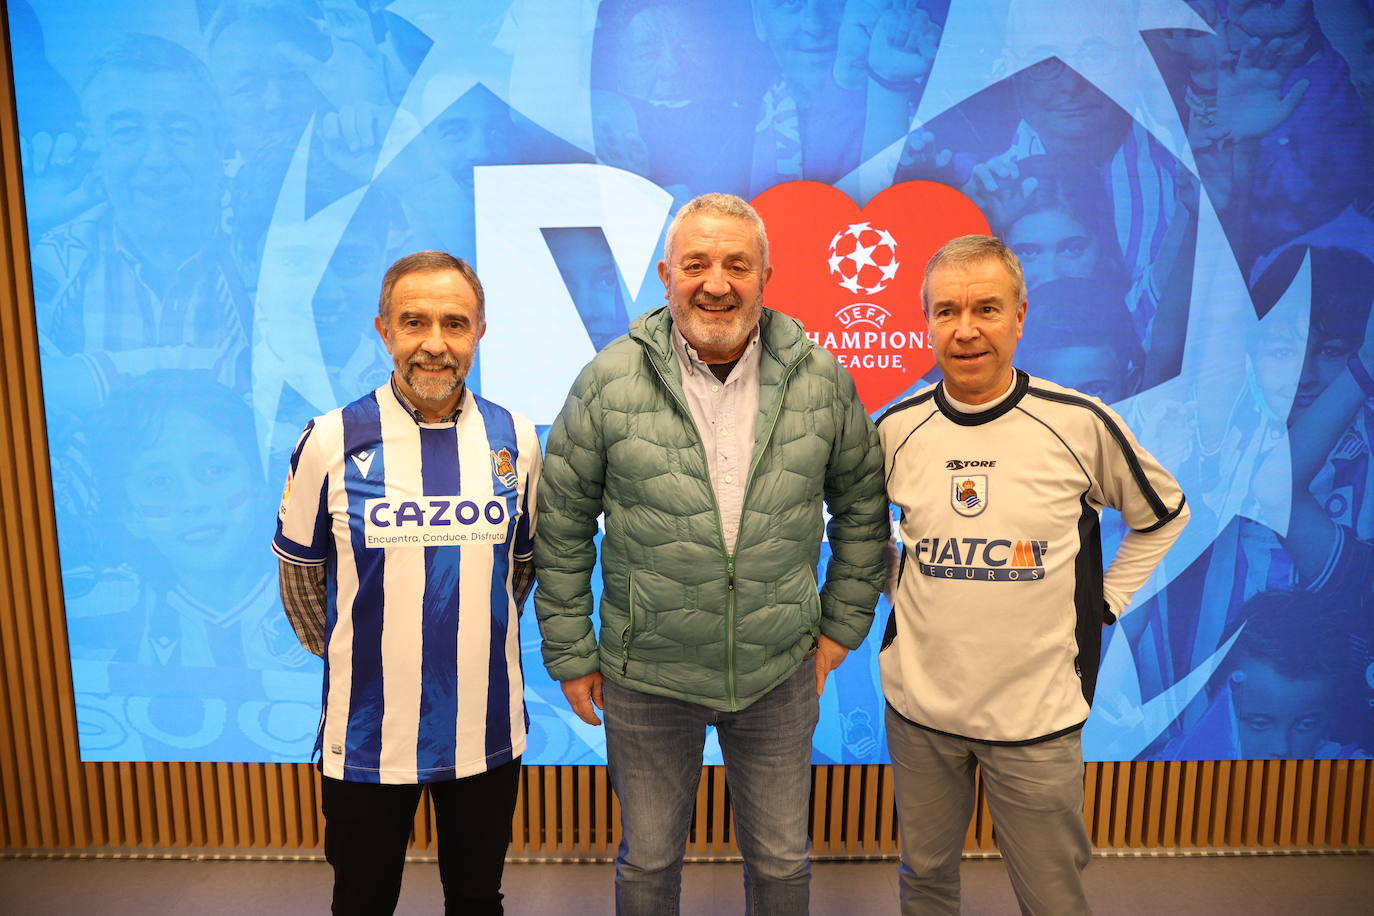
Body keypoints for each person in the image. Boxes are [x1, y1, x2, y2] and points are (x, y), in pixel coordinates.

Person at [535, 192, 888, 914]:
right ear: (666, 275)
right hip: (646, 675)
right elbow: (562, 523)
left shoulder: (820, 378)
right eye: (696, 264)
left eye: (737, 264)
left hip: (779, 670)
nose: (716, 283)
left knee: (785, 865)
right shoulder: (606, 381)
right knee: (649, 863)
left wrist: (838, 631)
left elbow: (862, 507)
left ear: (766, 275)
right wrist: (571, 654)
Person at [877, 235, 1189, 914]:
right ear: (926, 322)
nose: (965, 330)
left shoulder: (1078, 423)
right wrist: (897, 584)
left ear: (1021, 315)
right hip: (920, 713)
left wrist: (1103, 603)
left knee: (1052, 898)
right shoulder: (894, 429)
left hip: (1038, 718)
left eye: (986, 309)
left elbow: (1164, 513)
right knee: (924, 880)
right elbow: (860, 525)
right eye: (946, 311)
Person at [272, 251, 540, 915]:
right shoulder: (331, 439)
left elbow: (522, 569)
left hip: (485, 726)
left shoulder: (517, 438)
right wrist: (367, 651)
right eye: (413, 322)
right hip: (366, 729)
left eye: (455, 323)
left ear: (480, 331)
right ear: (383, 329)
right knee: (361, 900)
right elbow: (302, 583)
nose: (435, 344)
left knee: (478, 900)